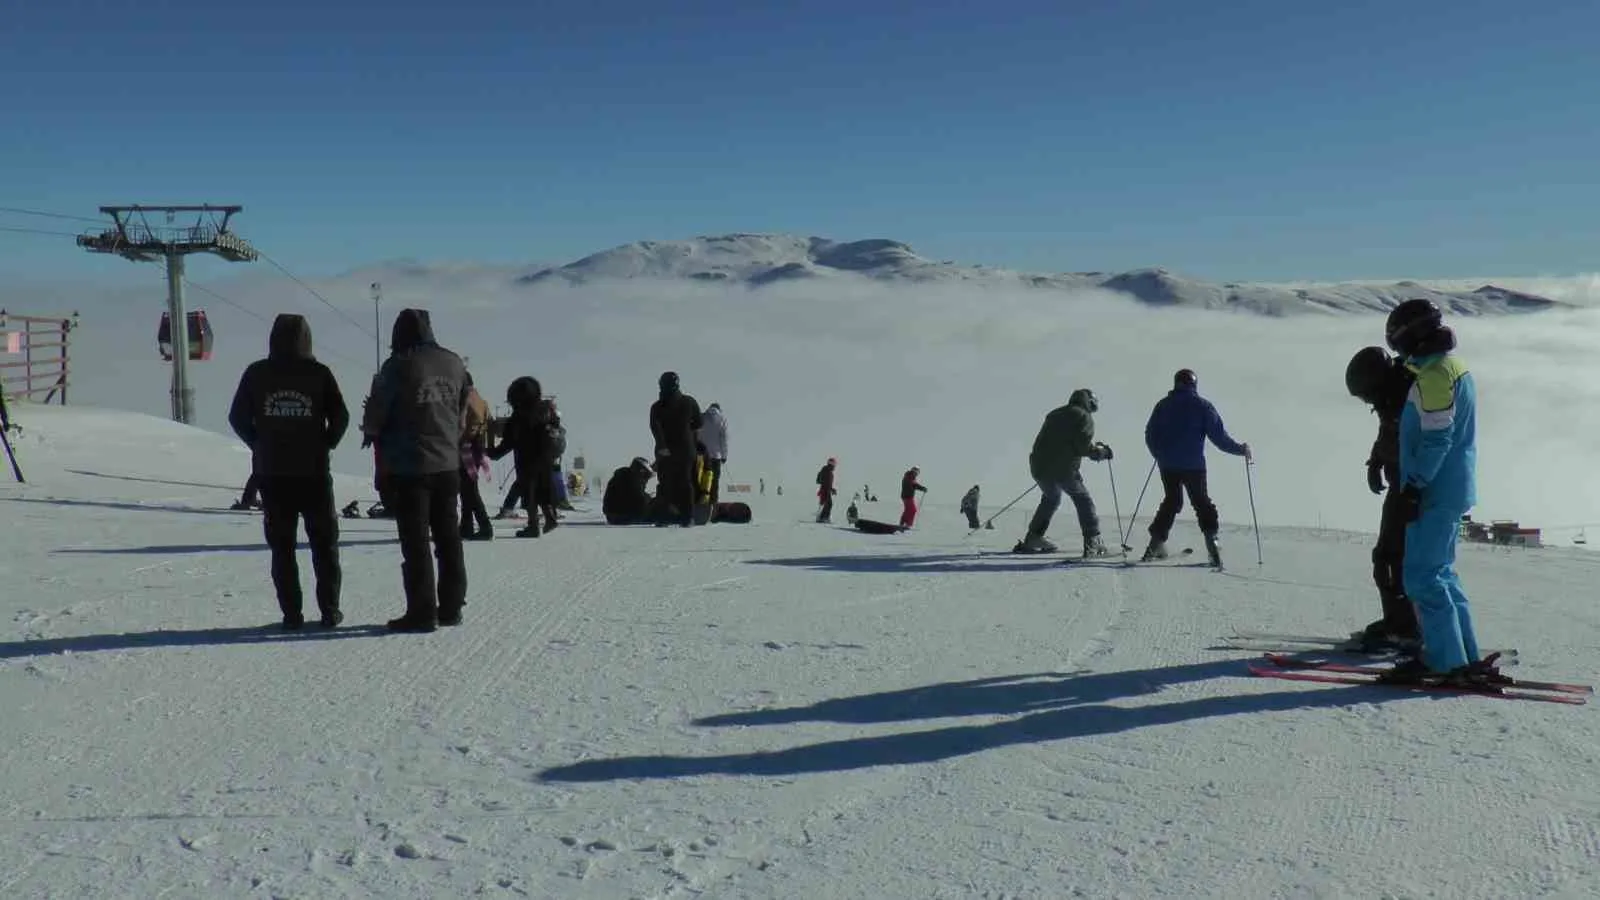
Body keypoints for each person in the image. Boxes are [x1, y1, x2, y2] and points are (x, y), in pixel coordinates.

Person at [1378, 299, 1487, 684]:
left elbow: (1438, 438)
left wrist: (1413, 488)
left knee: (1422, 576)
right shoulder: (1450, 368)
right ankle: (1462, 654)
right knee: (1440, 571)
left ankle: (1444, 661)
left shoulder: (1435, 375)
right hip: (1452, 483)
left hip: (1437, 488)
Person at [227, 314, 350, 630]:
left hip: (273, 474)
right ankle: (329, 610)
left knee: (282, 549)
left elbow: (237, 417)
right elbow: (341, 416)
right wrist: (326, 443)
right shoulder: (319, 374)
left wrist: (260, 443)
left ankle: (292, 614)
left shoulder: (256, 373)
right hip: (314, 474)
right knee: (324, 545)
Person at [361, 308, 470, 632]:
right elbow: (463, 411)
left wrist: (371, 430)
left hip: (410, 465)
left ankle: (422, 612)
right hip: (448, 464)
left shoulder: (397, 365)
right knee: (449, 537)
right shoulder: (454, 363)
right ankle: (451, 607)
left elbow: (376, 415)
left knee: (416, 540)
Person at [1345, 345, 1420, 649]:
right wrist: (1376, 461)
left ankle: (1404, 627)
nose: (1366, 401)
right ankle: (1401, 621)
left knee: (1393, 557)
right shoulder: (1392, 395)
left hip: (1413, 487)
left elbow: (1425, 442)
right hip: (1401, 483)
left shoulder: (1408, 395)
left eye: (1365, 395)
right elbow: (1387, 433)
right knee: (1390, 556)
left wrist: (1414, 487)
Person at [1141, 369, 1250, 568]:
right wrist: (1240, 450)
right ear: (1194, 384)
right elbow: (1219, 438)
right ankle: (1212, 544)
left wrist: (1158, 453)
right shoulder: (1203, 406)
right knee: (1201, 502)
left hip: (1168, 464)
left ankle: (1154, 545)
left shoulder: (1163, 405)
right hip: (1194, 466)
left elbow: (1150, 433)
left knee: (1172, 502)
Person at [1015, 388, 1113, 556]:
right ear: (1089, 402)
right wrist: (1101, 453)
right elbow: (1082, 446)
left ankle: (1033, 537)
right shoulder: (1084, 416)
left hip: (1039, 467)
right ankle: (1092, 540)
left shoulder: (1054, 414)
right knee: (1083, 499)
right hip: (1063, 470)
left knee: (1051, 498)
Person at [488, 377, 561, 538]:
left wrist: (490, 450)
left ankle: (533, 526)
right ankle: (550, 517)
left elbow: (506, 445)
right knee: (544, 488)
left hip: (526, 461)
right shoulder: (547, 410)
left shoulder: (517, 418)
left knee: (530, 493)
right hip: (547, 458)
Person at [649, 371, 703, 527]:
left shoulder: (657, 407)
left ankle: (664, 517)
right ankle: (688, 517)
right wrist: (687, 430)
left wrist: (662, 445)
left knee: (665, 483)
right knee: (685, 482)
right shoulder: (689, 402)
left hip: (665, 451)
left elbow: (654, 428)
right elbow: (699, 423)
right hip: (686, 449)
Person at [459, 374, 494, 541]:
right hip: (478, 446)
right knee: (467, 488)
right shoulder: (480, 399)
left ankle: (485, 525)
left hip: (466, 447)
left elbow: (461, 425)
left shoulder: (465, 399)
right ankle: (466, 526)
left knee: (469, 489)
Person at [603, 457, 655, 525]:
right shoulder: (629, 481)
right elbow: (640, 500)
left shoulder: (623, 478)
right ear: (640, 472)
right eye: (646, 476)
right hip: (623, 517)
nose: (646, 480)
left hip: (615, 517)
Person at [698, 402, 729, 507]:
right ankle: (713, 505)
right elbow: (724, 440)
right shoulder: (722, 419)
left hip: (701, 455)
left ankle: (699, 504)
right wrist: (724, 456)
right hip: (716, 457)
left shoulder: (701, 417)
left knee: (700, 480)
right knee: (714, 483)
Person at [816, 456, 837, 523]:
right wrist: (831, 489)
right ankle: (823, 518)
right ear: (831, 464)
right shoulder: (827, 471)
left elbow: (827, 483)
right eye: (834, 464)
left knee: (826, 504)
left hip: (825, 490)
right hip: (825, 490)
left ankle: (823, 517)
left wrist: (832, 489)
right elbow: (826, 483)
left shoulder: (826, 470)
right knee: (828, 504)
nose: (835, 466)